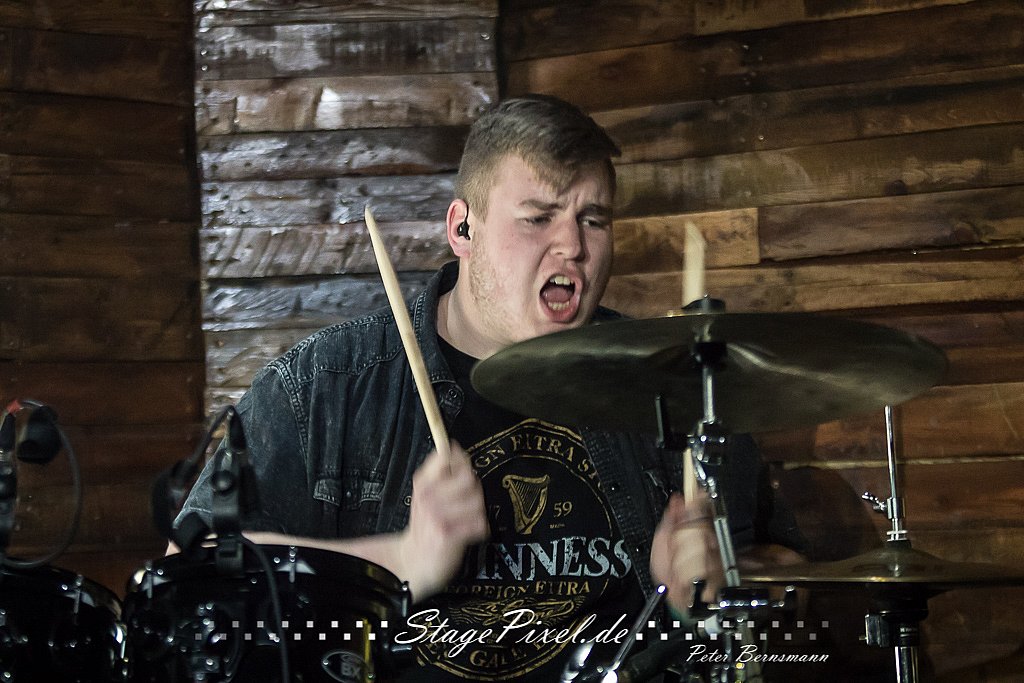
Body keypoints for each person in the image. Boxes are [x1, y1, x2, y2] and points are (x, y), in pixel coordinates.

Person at [174, 94, 803, 681]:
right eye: (538, 218)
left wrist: (703, 600)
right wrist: (402, 560)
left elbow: (784, 592)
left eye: (593, 219)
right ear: (462, 230)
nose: (572, 246)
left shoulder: (669, 382)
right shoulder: (330, 385)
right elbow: (193, 571)